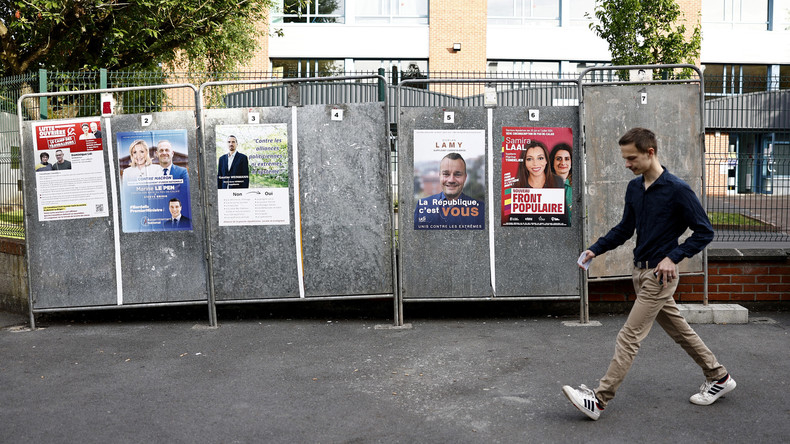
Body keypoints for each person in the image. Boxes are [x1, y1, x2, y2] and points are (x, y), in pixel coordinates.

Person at [562, 128, 735, 421]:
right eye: (625, 158)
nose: (626, 164)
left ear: (650, 152)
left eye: (631, 158)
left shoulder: (677, 189)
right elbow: (625, 229)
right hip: (639, 272)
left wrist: (673, 257)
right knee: (680, 331)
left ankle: (599, 399)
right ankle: (719, 376)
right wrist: (596, 249)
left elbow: (705, 231)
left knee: (629, 336)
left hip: (659, 277)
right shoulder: (634, 188)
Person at [414, 152, 484, 230]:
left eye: (457, 174)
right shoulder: (423, 206)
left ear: (465, 177)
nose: (451, 180)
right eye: (446, 174)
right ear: (439, 176)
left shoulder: (481, 210)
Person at [550, 143, 573, 216]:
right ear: (552, 162)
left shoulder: (578, 186)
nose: (563, 163)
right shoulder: (543, 183)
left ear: (571, 162)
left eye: (567, 159)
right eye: (558, 159)